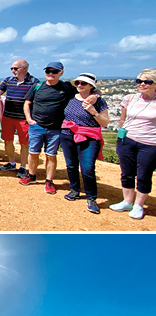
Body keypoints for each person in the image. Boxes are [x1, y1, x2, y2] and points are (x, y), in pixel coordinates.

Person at [21, 61, 87, 194]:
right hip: (37, 126)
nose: (50, 74)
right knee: (33, 153)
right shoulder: (38, 86)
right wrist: (29, 119)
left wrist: (95, 95)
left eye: (54, 71)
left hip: (56, 128)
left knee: (51, 155)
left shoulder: (66, 87)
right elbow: (27, 103)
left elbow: (84, 92)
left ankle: (49, 180)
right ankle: (32, 175)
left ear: (61, 73)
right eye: (48, 71)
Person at [60, 72, 109, 213]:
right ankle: (74, 189)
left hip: (89, 137)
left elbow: (105, 122)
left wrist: (94, 112)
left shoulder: (98, 101)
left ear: (91, 86)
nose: (79, 85)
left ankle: (91, 197)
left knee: (87, 168)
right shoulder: (70, 97)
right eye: (78, 83)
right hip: (68, 134)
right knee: (71, 165)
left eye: (83, 83)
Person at [111, 68, 156, 219]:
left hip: (150, 143)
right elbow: (123, 119)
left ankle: (139, 205)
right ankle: (127, 201)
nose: (142, 84)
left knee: (144, 175)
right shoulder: (130, 98)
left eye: (147, 81)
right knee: (127, 172)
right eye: (139, 81)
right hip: (127, 140)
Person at [0, 59, 38, 177]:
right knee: (7, 140)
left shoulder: (34, 82)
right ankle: (11, 163)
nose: (13, 71)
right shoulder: (8, 80)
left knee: (24, 143)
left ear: (24, 68)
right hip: (8, 116)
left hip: (23, 118)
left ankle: (23, 167)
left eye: (15, 68)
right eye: (12, 68)